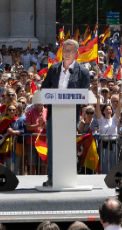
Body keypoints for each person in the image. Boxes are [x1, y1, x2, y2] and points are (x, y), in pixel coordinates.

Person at [39, 39, 91, 187]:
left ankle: (67, 178)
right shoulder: (54, 68)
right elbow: (44, 89)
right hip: (53, 114)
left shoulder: (83, 72)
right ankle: (52, 177)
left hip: (70, 114)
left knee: (67, 147)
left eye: (70, 51)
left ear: (76, 53)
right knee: (53, 147)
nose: (67, 54)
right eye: (65, 50)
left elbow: (85, 93)